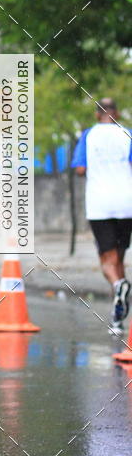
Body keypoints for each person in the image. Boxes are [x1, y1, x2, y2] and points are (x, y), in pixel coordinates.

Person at [71, 97, 132, 333]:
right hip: (127, 204)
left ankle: (119, 285)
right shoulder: (127, 134)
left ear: (98, 114)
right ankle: (117, 320)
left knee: (107, 260)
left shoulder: (88, 136)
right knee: (118, 256)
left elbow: (80, 169)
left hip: (99, 205)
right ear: (116, 113)